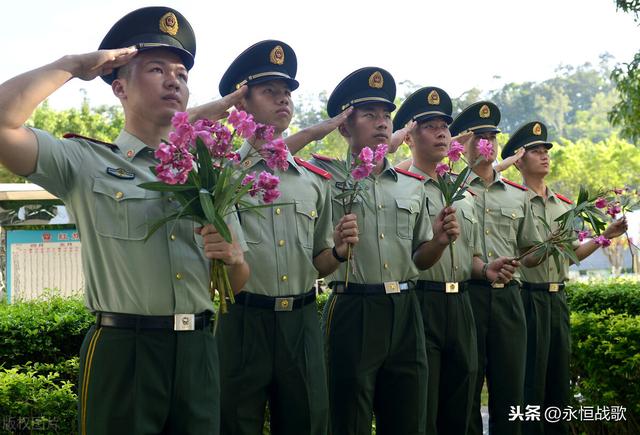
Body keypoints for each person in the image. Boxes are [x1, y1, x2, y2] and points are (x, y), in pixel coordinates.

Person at [0, 7, 249, 434]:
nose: (175, 80)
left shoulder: (209, 174)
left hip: (199, 351)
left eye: (182, 74)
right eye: (156, 69)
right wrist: (72, 66)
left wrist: (231, 259)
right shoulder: (86, 162)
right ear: (120, 88)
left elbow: (239, 279)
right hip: (125, 350)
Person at [304, 67, 460, 435]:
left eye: (386, 115)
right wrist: (340, 252)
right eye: (369, 115)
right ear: (344, 126)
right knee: (350, 420)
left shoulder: (410, 187)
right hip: (353, 309)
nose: (381, 123)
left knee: (409, 419)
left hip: (406, 310)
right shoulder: (325, 181)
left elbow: (420, 259)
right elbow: (317, 265)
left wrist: (438, 241)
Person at [215, 40, 359, 435]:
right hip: (242, 320)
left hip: (301, 322)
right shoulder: (224, 176)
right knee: (234, 422)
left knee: (308, 421)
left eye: (287, 93)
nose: (283, 100)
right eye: (269, 92)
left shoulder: (314, 182)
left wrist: (340, 252)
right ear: (241, 104)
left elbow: (319, 261)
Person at [393, 86, 519, 435]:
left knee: (462, 405)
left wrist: (486, 269)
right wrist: (437, 242)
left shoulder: (464, 191)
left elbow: (473, 256)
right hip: (420, 302)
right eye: (429, 126)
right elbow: (413, 257)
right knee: (424, 406)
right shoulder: (399, 187)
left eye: (444, 126)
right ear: (408, 137)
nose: (441, 133)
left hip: (462, 300)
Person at [501, 121, 628, 435]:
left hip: (557, 298)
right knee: (530, 381)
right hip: (527, 297)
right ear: (519, 159)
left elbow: (571, 254)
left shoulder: (563, 205)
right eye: (535, 151)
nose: (544, 156)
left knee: (558, 382)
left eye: (546, 151)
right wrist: (552, 243)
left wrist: (606, 237)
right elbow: (524, 258)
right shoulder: (513, 201)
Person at [449, 101, 543, 435]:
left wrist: (544, 250)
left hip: (508, 299)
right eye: (478, 137)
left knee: (510, 389)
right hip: (467, 297)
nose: (487, 142)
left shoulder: (517, 195)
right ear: (462, 143)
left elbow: (530, 250)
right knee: (465, 386)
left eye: (492, 136)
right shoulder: (452, 188)